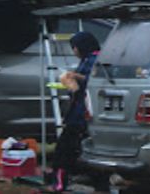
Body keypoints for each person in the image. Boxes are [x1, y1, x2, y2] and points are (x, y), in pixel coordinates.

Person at [51, 32, 100, 192]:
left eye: (74, 48)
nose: (74, 51)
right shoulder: (89, 58)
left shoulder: (93, 59)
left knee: (64, 150)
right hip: (82, 114)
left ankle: (60, 183)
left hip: (81, 115)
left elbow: (90, 80)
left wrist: (73, 76)